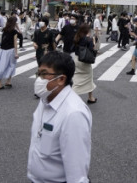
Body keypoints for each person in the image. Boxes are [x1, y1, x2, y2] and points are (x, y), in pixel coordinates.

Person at [27, 51, 92, 183]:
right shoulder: (46, 99)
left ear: (61, 79)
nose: (39, 79)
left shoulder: (73, 114)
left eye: (44, 74)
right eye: (38, 73)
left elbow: (77, 174)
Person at [0, 16, 20, 90]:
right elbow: (15, 42)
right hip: (10, 50)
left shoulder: (4, 29)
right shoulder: (14, 31)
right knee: (11, 65)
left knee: (0, 66)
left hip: (2, 50)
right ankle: (8, 81)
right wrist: (16, 53)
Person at [73, 24, 97, 103]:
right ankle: (90, 97)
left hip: (76, 59)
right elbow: (91, 50)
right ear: (87, 31)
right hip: (85, 62)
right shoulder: (88, 39)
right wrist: (93, 41)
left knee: (76, 78)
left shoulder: (77, 37)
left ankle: (72, 95)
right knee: (89, 78)